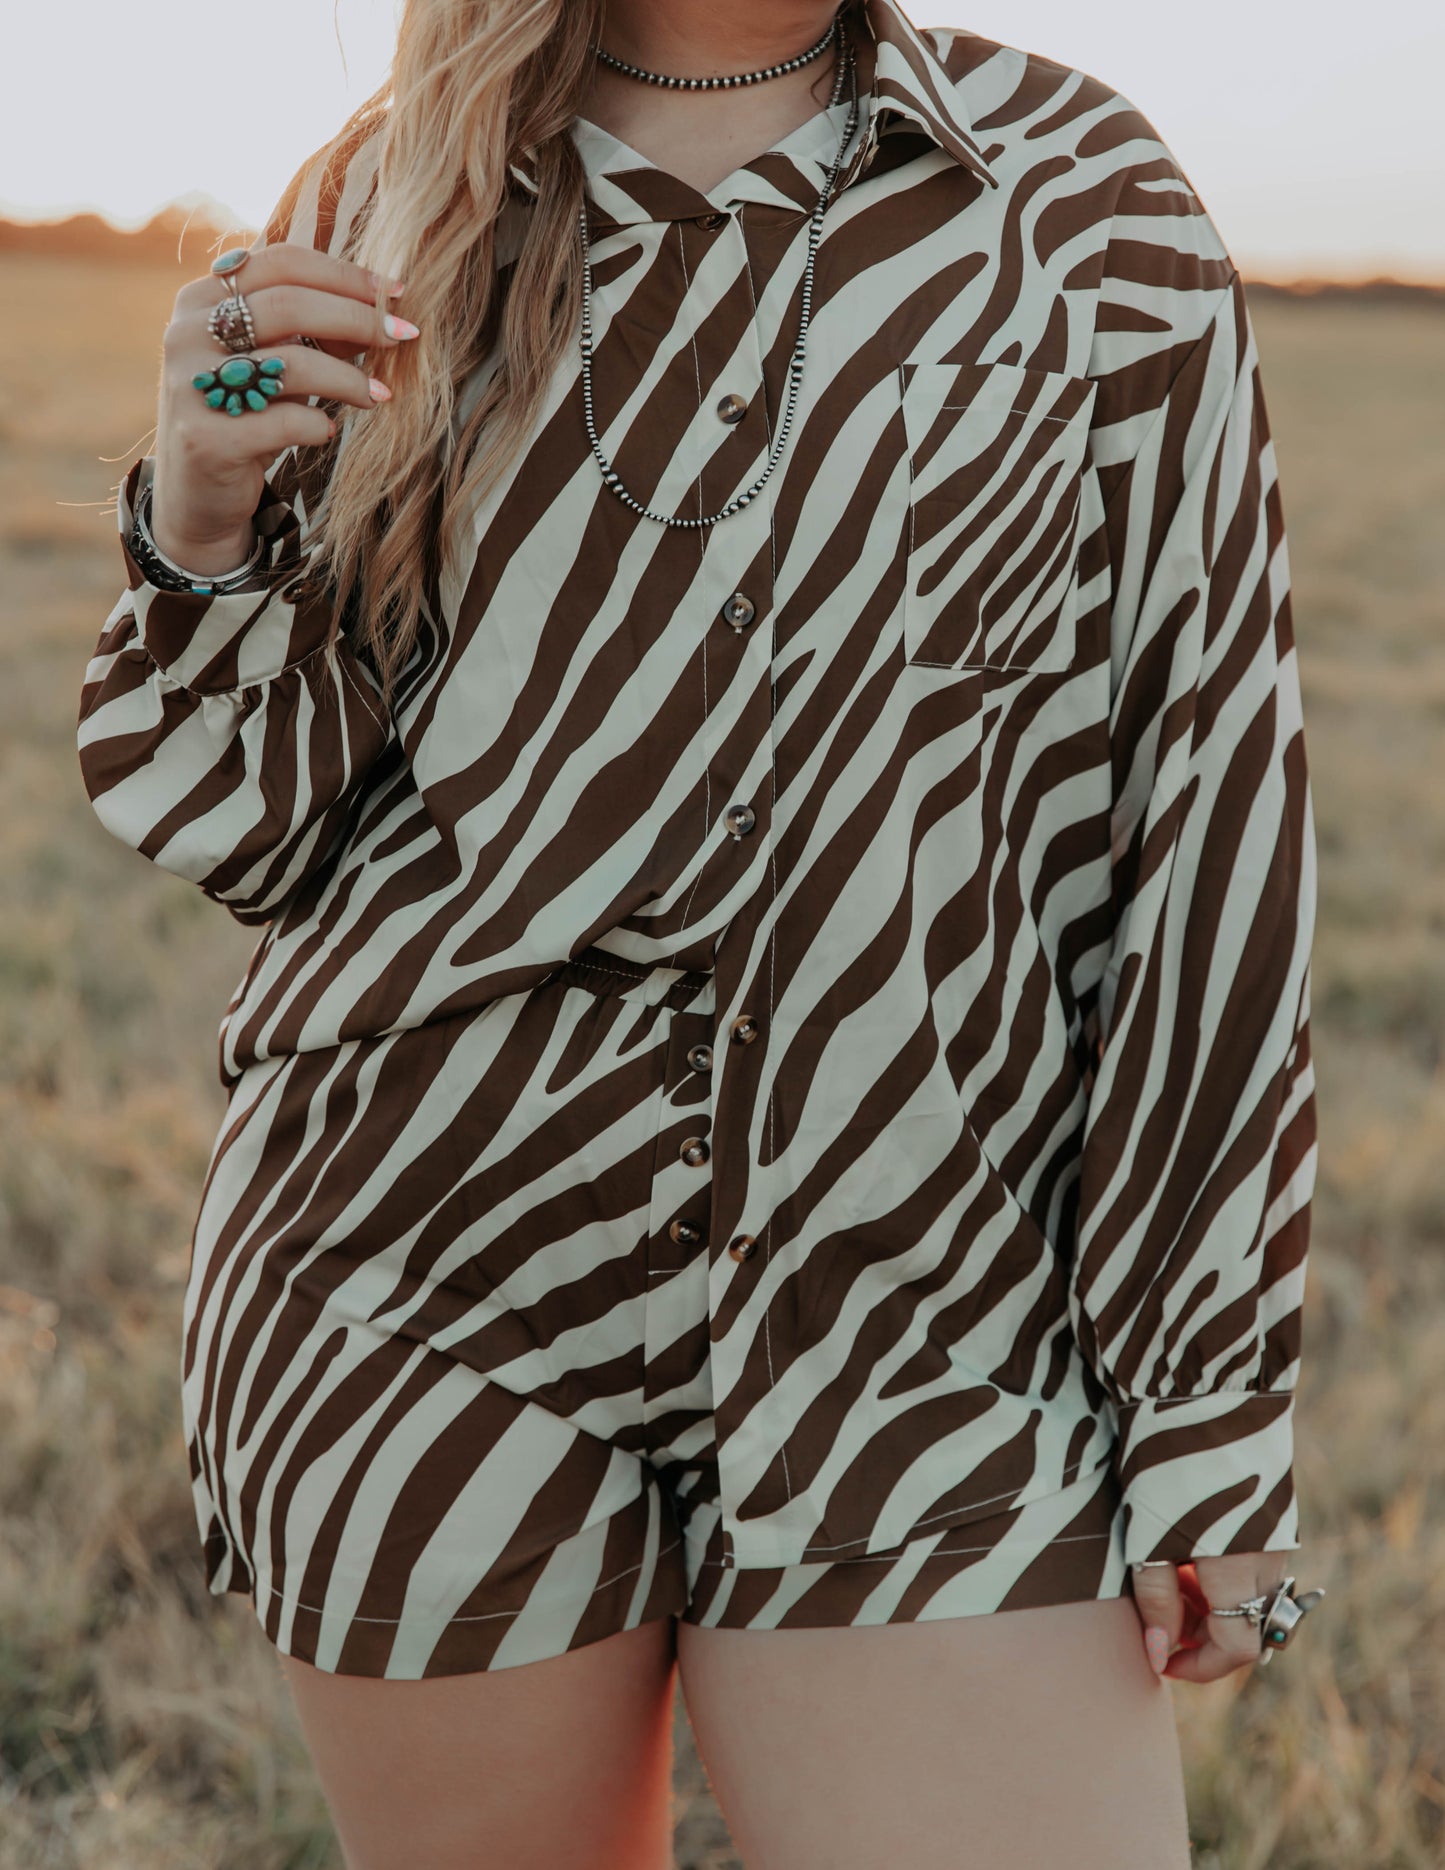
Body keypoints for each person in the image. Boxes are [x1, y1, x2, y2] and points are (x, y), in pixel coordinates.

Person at [75, 1, 1324, 1864]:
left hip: (926, 1301)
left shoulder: (1083, 205)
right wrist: (200, 503)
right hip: (418, 1290)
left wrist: (1206, 1398)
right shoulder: (386, 190)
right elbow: (256, 830)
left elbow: (1209, 811)